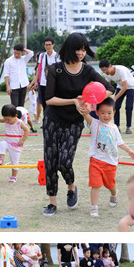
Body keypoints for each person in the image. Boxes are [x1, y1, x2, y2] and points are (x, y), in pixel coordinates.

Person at [42, 32, 114, 216]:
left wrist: (90, 101)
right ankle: (52, 202)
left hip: (74, 121)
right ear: (69, 49)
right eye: (78, 49)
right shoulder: (55, 69)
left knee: (65, 161)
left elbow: (110, 89)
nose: (81, 53)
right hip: (52, 119)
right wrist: (74, 100)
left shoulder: (88, 71)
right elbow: (49, 99)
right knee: (51, 160)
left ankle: (71, 187)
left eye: (84, 49)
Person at [78, 97, 134, 218]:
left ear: (114, 113)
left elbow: (120, 142)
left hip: (110, 162)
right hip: (95, 160)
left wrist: (129, 150)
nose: (106, 115)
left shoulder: (114, 128)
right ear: (97, 112)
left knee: (110, 184)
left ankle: (114, 193)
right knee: (95, 185)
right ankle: (94, 207)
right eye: (103, 112)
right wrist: (83, 104)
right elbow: (85, 114)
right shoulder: (94, 123)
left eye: (109, 113)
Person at [98, 59, 134, 133]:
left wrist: (115, 98)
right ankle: (117, 127)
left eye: (105, 70)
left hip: (131, 87)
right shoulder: (106, 74)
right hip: (120, 87)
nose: (105, 72)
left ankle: (128, 128)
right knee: (115, 106)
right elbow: (108, 86)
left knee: (129, 107)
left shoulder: (121, 70)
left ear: (110, 66)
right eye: (103, 71)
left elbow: (125, 87)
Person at [27, 37, 60, 124]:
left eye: (49, 45)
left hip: (54, 84)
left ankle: (54, 122)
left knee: (54, 104)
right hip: (43, 84)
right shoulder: (42, 56)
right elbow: (39, 69)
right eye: (46, 45)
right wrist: (35, 81)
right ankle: (46, 122)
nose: (47, 46)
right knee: (44, 104)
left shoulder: (57, 56)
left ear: (53, 45)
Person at [0, 104, 29, 183]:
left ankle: (14, 177)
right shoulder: (6, 120)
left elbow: (27, 130)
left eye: (8, 120)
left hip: (16, 146)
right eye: (5, 119)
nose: (6, 121)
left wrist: (22, 140)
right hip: (7, 143)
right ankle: (1, 160)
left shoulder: (19, 122)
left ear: (15, 116)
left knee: (14, 162)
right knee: (1, 143)